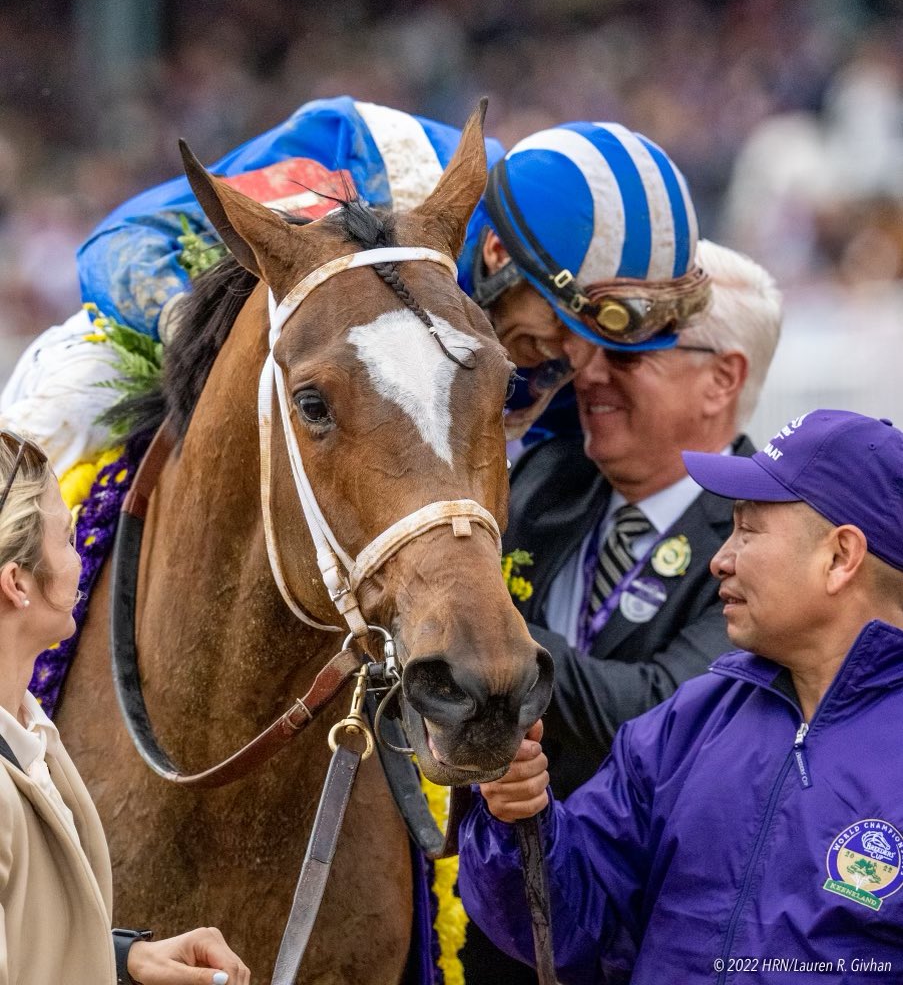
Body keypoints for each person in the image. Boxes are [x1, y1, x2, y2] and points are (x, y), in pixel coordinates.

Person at [1, 99, 708, 472]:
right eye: (561, 324)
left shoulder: (561, 351)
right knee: (75, 396)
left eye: (605, 346)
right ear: (495, 251)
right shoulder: (362, 159)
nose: (578, 366)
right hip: (221, 404)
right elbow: (124, 244)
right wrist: (209, 341)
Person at [460, 409, 903, 983]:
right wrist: (521, 817)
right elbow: (572, 926)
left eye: (748, 529)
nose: (721, 557)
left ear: (840, 556)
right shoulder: (688, 723)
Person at [503, 238, 783, 800]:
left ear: (722, 380)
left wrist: (479, 624)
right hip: (491, 866)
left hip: (655, 878)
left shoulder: (771, 540)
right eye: (589, 343)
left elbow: (661, 710)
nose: (587, 374)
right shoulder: (545, 476)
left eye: (627, 352)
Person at [0, 430, 250, 985]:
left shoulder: (29, 733)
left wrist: (121, 958)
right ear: (16, 583)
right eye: (66, 539)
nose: (79, 559)